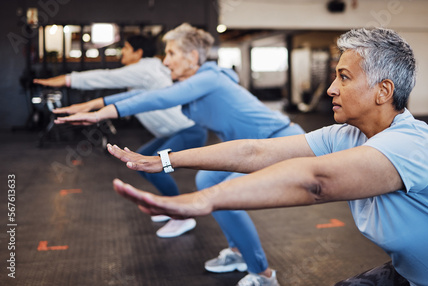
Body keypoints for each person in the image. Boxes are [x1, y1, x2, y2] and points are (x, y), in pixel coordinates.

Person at [107, 27, 428, 285]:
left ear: (383, 91)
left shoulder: (413, 144)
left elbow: (317, 182)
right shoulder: (345, 135)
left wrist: (201, 200)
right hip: (412, 275)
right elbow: (255, 150)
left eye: (344, 78)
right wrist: (167, 160)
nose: (330, 89)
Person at [54, 23, 306, 286]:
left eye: (172, 54)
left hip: (280, 141)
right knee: (207, 181)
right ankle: (238, 252)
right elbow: (148, 94)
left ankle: (263, 275)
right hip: (248, 149)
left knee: (224, 193)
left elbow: (161, 99)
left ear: (193, 57)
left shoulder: (211, 77)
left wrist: (99, 114)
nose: (166, 61)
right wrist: (93, 105)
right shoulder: (193, 84)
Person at [34, 35, 208, 238]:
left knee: (156, 166)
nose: (122, 52)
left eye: (126, 48)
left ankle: (181, 215)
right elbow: (125, 98)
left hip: (188, 131)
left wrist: (67, 80)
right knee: (142, 159)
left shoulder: (143, 70)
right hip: (176, 131)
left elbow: (105, 77)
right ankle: (171, 207)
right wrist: (91, 106)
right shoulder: (147, 71)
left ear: (138, 53)